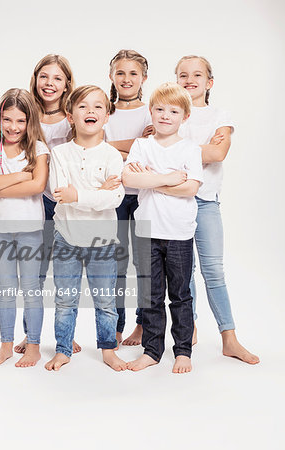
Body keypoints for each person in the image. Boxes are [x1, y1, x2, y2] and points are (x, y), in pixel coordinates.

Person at [175, 55, 259, 364]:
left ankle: (229, 338)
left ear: (209, 83)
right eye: (182, 74)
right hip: (174, 202)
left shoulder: (219, 114)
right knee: (184, 272)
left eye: (197, 75)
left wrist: (177, 149)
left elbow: (218, 152)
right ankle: (190, 328)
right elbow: (163, 153)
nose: (189, 79)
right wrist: (199, 149)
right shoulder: (170, 113)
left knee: (213, 270)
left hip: (206, 200)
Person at [45, 85, 127, 372]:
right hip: (66, 237)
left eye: (97, 107)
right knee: (65, 300)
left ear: (106, 116)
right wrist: (97, 192)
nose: (90, 111)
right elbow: (59, 194)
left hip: (102, 241)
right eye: (82, 106)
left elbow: (114, 198)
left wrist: (78, 195)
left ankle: (108, 349)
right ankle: (63, 349)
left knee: (105, 301)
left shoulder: (112, 156)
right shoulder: (59, 154)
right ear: (70, 116)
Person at [123, 82, 203, 373]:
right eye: (159, 109)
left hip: (179, 233)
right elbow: (130, 180)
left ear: (185, 116)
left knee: (180, 295)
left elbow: (191, 188)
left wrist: (153, 180)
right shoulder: (142, 146)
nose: (165, 115)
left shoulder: (190, 149)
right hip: (147, 232)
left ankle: (183, 351)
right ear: (151, 111)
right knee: (151, 296)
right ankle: (152, 350)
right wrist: (169, 177)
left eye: (173, 111)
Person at [15, 54, 82, 354]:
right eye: (44, 76)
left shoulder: (75, 115)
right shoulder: (26, 115)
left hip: (67, 206)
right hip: (35, 203)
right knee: (35, 275)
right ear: (35, 79)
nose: (50, 83)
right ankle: (31, 336)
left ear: (67, 83)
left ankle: (65, 334)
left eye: (57, 78)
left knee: (67, 276)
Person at [0, 88, 49, 367]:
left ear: (30, 122)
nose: (13, 127)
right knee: (6, 288)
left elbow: (38, 185)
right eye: (7, 120)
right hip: (1, 229)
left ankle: (33, 345)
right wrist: (20, 175)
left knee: (31, 288)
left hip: (30, 229)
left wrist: (2, 187)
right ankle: (6, 344)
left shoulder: (38, 149)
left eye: (20, 121)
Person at [104, 49, 153, 347]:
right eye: (120, 72)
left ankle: (142, 324)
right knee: (117, 264)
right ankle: (117, 325)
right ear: (111, 76)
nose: (126, 79)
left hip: (147, 195)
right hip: (116, 197)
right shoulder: (104, 111)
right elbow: (98, 147)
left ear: (143, 78)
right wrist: (136, 145)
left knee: (146, 264)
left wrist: (113, 147)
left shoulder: (152, 111)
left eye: (133, 73)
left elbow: (153, 152)